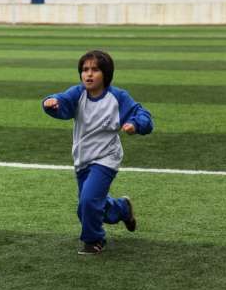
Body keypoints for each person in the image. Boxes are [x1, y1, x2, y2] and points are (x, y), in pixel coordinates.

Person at [42, 50, 153, 254]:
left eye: (95, 70)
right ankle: (121, 209)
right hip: (82, 158)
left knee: (88, 201)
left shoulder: (117, 97)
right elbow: (62, 102)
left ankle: (94, 240)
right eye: (85, 70)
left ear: (106, 74)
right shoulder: (78, 94)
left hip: (107, 158)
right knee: (86, 209)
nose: (89, 74)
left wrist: (135, 124)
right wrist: (51, 103)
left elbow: (143, 115)